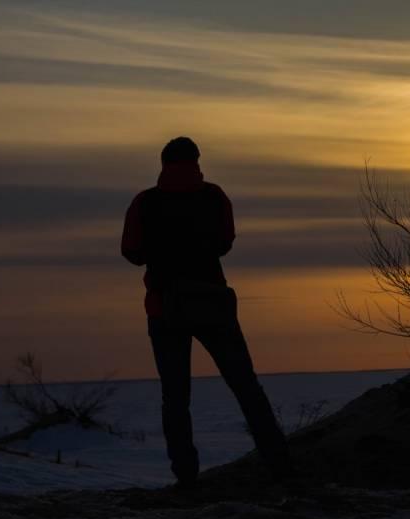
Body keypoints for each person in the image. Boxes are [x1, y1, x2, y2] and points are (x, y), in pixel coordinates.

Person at [121, 137, 290, 486]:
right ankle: (279, 464)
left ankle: (186, 476)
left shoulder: (145, 202)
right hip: (213, 303)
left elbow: (131, 251)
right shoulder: (214, 197)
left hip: (165, 308)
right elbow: (225, 242)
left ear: (163, 162)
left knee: (176, 397)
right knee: (246, 387)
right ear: (197, 161)